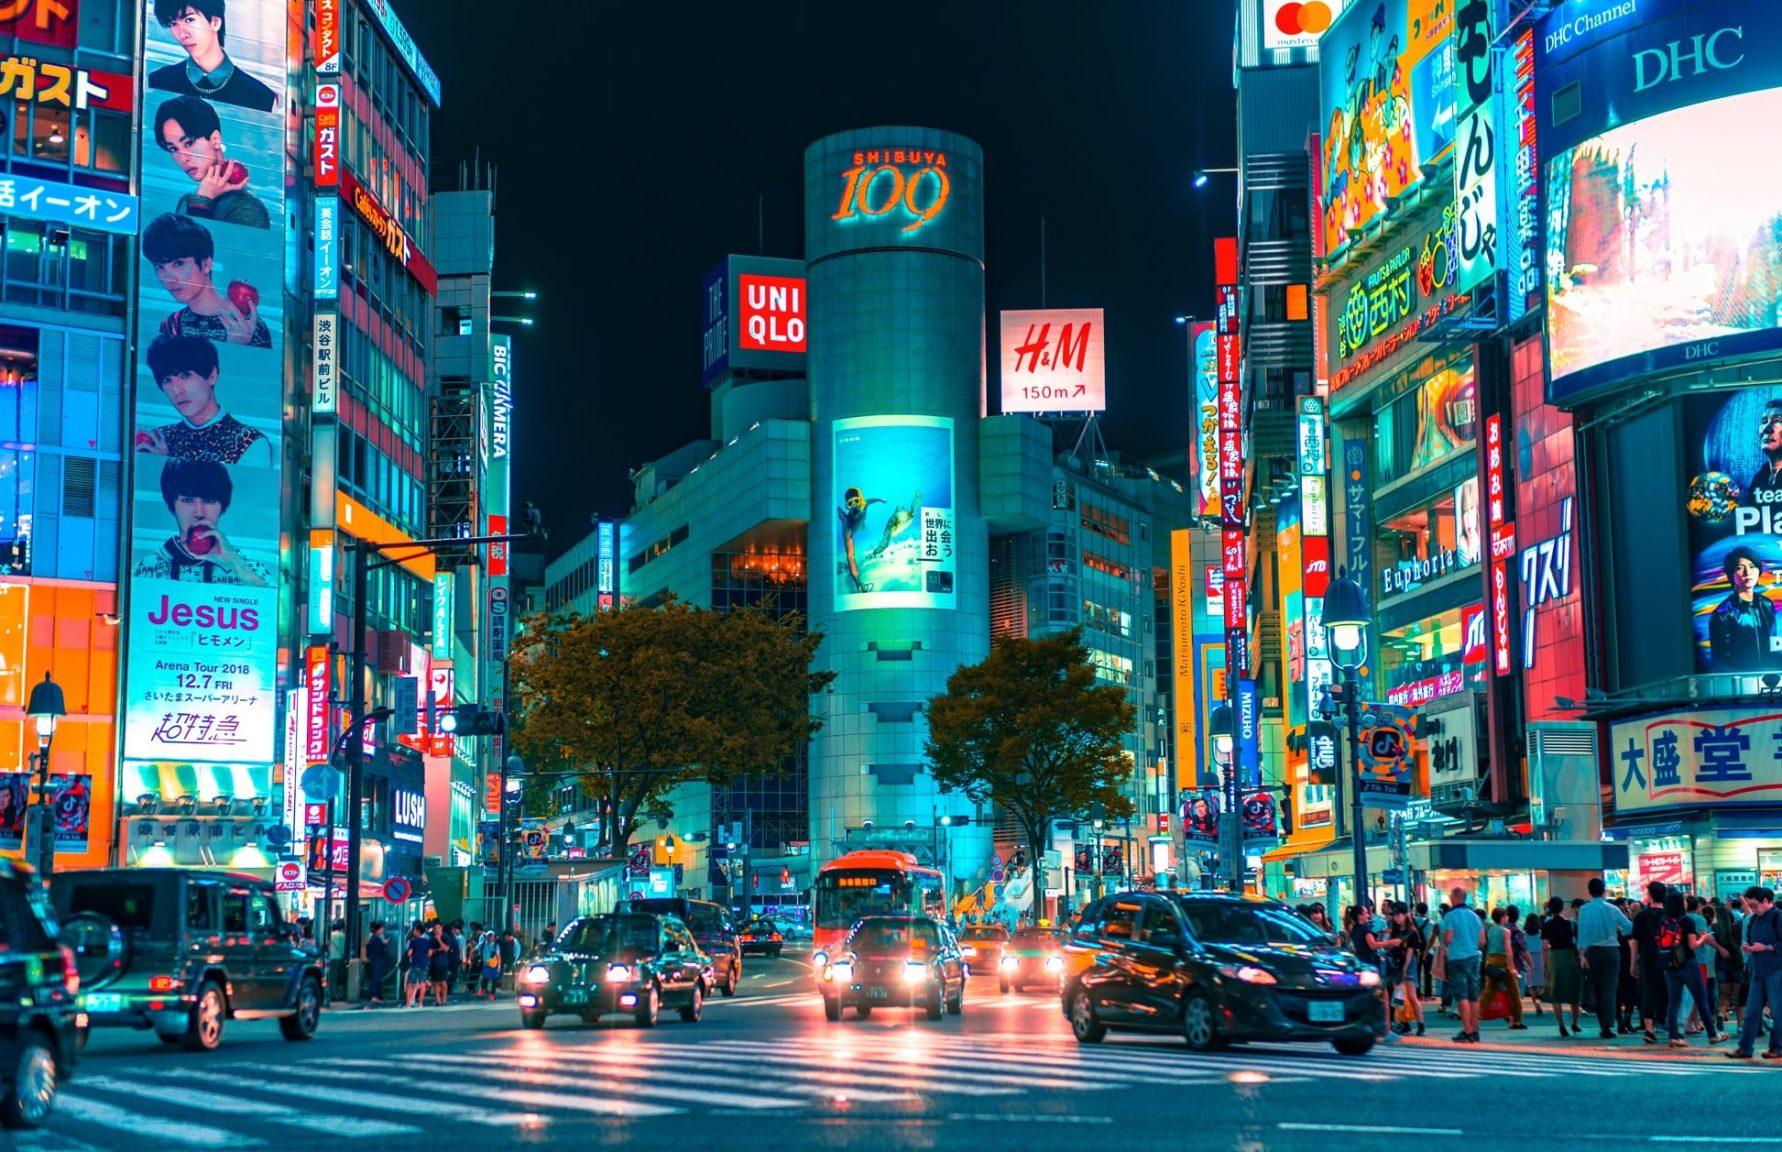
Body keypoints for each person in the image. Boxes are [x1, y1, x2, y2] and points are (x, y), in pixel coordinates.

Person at [132, 458, 270, 586]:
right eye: (187, 500)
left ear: (222, 506)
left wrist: (235, 564)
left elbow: (278, 607)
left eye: (209, 501)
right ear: (172, 506)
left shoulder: (250, 568)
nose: (199, 513)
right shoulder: (147, 568)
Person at [140, 335, 272, 466]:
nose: (177, 390)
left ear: (212, 376)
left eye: (185, 376)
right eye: (167, 380)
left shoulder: (249, 442)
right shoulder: (159, 439)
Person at [142, 213, 270, 348]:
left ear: (206, 264)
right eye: (159, 266)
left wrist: (238, 346)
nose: (169, 279)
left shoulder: (247, 325)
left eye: (178, 263)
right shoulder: (171, 325)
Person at [152, 95, 271, 228]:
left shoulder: (247, 207)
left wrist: (202, 202)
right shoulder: (186, 203)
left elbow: (194, 247)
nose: (183, 158)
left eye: (188, 143)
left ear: (215, 139)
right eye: (173, 149)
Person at [148, 1, 278, 112]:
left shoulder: (260, 97)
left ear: (215, 22)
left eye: (189, 19)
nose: (182, 34)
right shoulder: (159, 80)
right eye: (173, 23)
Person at [1660, 890, 1724, 1047]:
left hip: (1670, 964)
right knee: (1701, 999)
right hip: (1688, 964)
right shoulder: (1686, 921)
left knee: (1674, 1001)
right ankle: (1713, 1034)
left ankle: (1673, 1036)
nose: (1686, 902)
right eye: (1683, 900)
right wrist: (1703, 938)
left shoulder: (1665, 921)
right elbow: (1692, 945)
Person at [1575, 877, 1632, 1040]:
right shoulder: (1612, 909)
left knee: (1597, 988)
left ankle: (1602, 1024)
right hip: (1612, 950)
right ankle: (1608, 1024)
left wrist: (1581, 954)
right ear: (1603, 891)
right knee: (1610, 988)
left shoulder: (1584, 910)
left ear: (1589, 891)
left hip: (1592, 951)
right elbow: (1628, 927)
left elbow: (1582, 933)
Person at [1730, 886, 1782, 1060]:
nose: (1752, 909)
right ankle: (1745, 1048)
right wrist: (1749, 948)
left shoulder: (1778, 917)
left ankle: (1777, 1047)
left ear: (1766, 901)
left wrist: (1766, 947)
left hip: (1776, 971)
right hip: (1757, 972)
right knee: (1751, 1011)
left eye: (1754, 905)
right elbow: (1752, 940)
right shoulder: (1754, 920)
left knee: (1778, 1011)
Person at [1709, 545, 1780, 671]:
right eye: (1740, 568)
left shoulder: (1767, 605)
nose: (1748, 573)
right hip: (1741, 683)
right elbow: (1722, 661)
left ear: (1759, 570)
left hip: (1770, 680)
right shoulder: (1723, 614)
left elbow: (1774, 644)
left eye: (1752, 567)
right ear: (1731, 574)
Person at [1441, 886, 1485, 1043]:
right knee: (1474, 996)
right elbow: (1482, 941)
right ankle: (1475, 1030)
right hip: (1474, 958)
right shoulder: (1475, 916)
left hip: (1457, 958)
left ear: (1454, 897)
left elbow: (1448, 938)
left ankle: (1467, 1030)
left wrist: (1446, 943)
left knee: (1461, 995)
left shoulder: (1450, 916)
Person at [1631, 881, 1671, 1044]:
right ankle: (1669, 1024)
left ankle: (1649, 1028)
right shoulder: (1669, 915)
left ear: (1649, 895)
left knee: (1649, 992)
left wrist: (1633, 962)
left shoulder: (1641, 916)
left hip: (1647, 958)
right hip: (1668, 959)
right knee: (1669, 991)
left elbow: (1634, 941)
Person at [1542, 896, 1582, 1037]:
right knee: (1573, 992)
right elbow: (1578, 944)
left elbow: (1545, 947)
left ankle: (1561, 1025)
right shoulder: (1571, 924)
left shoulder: (1547, 925)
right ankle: (1575, 1023)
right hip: (1570, 957)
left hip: (1555, 958)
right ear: (1562, 908)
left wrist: (1545, 965)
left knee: (1556, 993)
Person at [1480, 907, 1526, 1029]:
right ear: (1502, 918)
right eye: (1506, 916)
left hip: (1491, 960)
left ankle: (1475, 1015)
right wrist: (1512, 967)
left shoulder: (1491, 930)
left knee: (1488, 992)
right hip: (1502, 960)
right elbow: (1508, 949)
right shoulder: (1506, 931)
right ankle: (1517, 1020)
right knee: (1514, 991)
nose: (1507, 918)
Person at [1388, 902, 1426, 1037]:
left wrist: (1404, 968)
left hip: (1408, 965)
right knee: (1399, 996)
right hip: (1397, 964)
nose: (1396, 918)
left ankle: (1421, 1025)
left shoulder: (1412, 932)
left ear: (1406, 914)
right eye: (1394, 915)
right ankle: (1404, 1024)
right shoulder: (1396, 929)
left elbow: (1410, 953)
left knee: (1411, 995)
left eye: (1399, 914)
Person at [837, 487, 885, 593]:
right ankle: (840, 512)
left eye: (856, 501)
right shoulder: (847, 527)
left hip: (861, 525)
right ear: (847, 506)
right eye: (850, 504)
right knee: (850, 556)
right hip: (852, 529)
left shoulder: (864, 505)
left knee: (864, 526)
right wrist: (858, 583)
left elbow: (870, 500)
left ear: (860, 501)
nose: (854, 506)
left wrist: (881, 500)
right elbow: (851, 558)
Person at [1518, 909, 1544, 1019]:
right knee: (1541, 982)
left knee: (1531, 984)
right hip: (1540, 958)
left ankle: (1536, 1002)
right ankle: (1540, 997)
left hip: (1528, 958)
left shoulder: (1523, 935)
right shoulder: (1541, 934)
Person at [403, 923, 433, 1008]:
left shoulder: (413, 941)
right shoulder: (427, 941)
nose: (413, 931)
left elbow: (409, 953)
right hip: (424, 964)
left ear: (417, 931)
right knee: (422, 983)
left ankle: (408, 1003)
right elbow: (430, 953)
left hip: (415, 964)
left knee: (410, 984)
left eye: (415, 929)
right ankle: (420, 1003)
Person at [363, 921, 391, 1009]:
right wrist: (384, 944)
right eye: (381, 929)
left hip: (375, 960)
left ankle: (376, 996)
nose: (382, 931)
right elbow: (379, 950)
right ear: (377, 930)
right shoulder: (376, 939)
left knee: (377, 978)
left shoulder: (374, 938)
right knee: (376, 978)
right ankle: (374, 996)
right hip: (376, 961)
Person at [427, 922, 451, 1006]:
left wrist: (439, 940)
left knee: (443, 982)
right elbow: (430, 951)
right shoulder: (431, 939)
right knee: (435, 982)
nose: (436, 930)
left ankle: (444, 999)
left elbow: (446, 948)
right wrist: (437, 950)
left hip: (443, 962)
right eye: (435, 928)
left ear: (441, 928)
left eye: (438, 928)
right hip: (434, 962)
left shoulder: (445, 937)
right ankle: (438, 1000)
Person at [478, 931, 503, 1000]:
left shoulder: (496, 945)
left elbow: (498, 956)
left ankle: (492, 994)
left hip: (494, 964)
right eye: (488, 936)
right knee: (485, 978)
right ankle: (483, 989)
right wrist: (470, 958)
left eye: (491, 936)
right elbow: (475, 949)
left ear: (493, 937)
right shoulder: (482, 944)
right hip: (485, 964)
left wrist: (499, 965)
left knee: (494, 980)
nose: (489, 937)